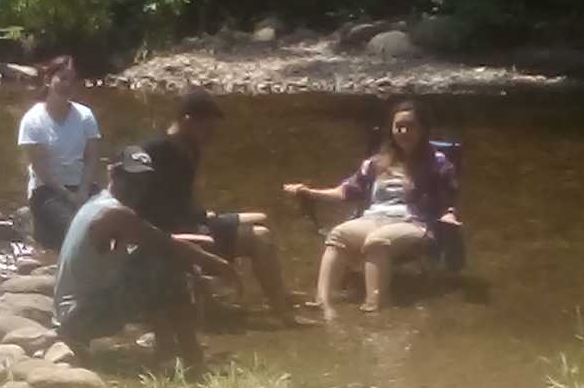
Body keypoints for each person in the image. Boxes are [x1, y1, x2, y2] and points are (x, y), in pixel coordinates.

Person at [54, 146, 238, 373]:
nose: (137, 188)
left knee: (152, 261)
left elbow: (154, 237)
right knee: (165, 268)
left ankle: (167, 349)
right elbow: (165, 244)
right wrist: (220, 265)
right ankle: (193, 360)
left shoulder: (99, 203)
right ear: (113, 174)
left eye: (142, 181)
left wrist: (197, 245)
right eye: (130, 180)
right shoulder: (115, 213)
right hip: (81, 317)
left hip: (76, 311)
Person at [283, 100, 459, 321]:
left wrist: (448, 215)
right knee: (338, 235)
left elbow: (447, 199)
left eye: (410, 126)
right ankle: (324, 303)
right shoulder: (376, 163)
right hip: (375, 218)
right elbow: (345, 191)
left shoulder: (438, 163)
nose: (403, 131)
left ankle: (375, 307)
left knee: (377, 240)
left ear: (422, 129)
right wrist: (309, 192)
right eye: (398, 126)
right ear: (392, 129)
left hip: (414, 223)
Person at [137, 88, 296, 322]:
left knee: (261, 217)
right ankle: (283, 313)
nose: (210, 134)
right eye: (206, 127)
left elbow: (179, 197)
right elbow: (141, 198)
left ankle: (280, 294)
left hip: (191, 221)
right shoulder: (157, 149)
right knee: (260, 237)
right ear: (187, 120)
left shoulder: (190, 148)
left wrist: (202, 215)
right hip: (173, 232)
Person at [17, 56, 101, 249]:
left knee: (115, 217)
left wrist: (83, 190)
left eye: (71, 80)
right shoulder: (33, 120)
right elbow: (41, 169)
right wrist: (68, 196)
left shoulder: (85, 116)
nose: (67, 84)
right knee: (76, 229)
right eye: (62, 78)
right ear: (48, 81)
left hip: (81, 186)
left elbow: (91, 158)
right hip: (47, 191)